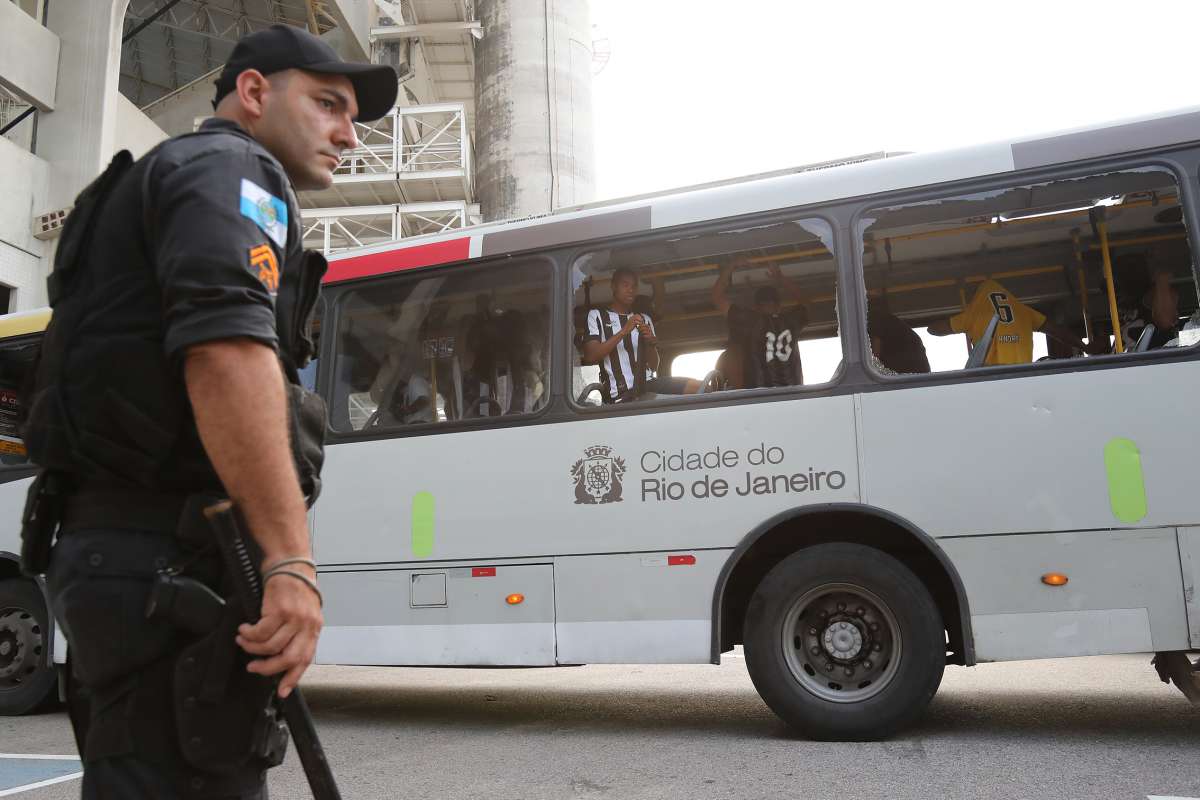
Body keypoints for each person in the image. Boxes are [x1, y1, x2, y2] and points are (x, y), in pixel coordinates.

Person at [23, 25, 396, 799]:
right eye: (329, 104)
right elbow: (227, 349)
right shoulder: (236, 169)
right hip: (167, 559)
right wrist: (291, 561)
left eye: (353, 118)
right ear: (255, 93)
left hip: (125, 557)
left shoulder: (171, 177)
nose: (346, 136)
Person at [582, 268, 700, 402]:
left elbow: (654, 366)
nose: (630, 290)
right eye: (625, 285)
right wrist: (623, 331)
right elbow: (591, 356)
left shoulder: (644, 319)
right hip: (621, 393)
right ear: (614, 286)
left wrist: (650, 343)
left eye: (634, 286)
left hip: (649, 384)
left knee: (701, 388)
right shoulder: (596, 316)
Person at [928, 278, 1099, 365]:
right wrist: (1085, 347)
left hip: (990, 379)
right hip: (1023, 375)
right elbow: (1057, 331)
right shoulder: (1024, 311)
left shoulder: (973, 315)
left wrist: (962, 317)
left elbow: (933, 330)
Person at [712, 259, 810, 388]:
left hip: (761, 397)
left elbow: (717, 297)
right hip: (792, 395)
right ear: (779, 306)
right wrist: (781, 277)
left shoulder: (751, 322)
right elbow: (806, 304)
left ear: (756, 307)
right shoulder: (790, 321)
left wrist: (732, 265)